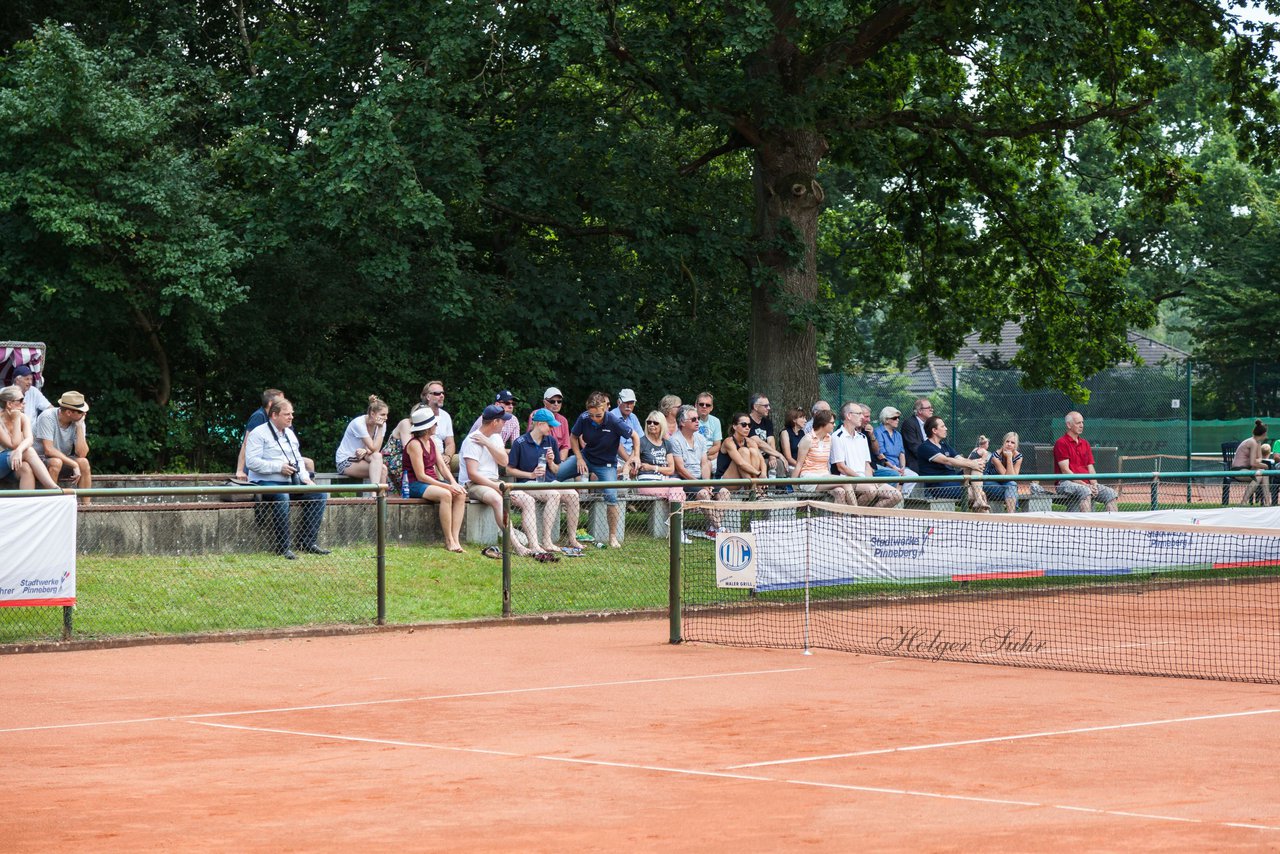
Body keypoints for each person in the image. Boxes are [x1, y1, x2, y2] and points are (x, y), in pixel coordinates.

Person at [244, 397, 330, 559]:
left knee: (319, 494)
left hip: (289, 481)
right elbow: (252, 462)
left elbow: (298, 460)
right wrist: (279, 467)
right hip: (263, 482)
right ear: (274, 415)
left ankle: (308, 542)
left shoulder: (289, 433)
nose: (291, 417)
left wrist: (306, 479)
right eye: (287, 414)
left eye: (292, 414)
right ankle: (283, 547)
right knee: (282, 495)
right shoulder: (258, 433)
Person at [555, 391, 642, 549]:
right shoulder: (583, 418)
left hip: (606, 464)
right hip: (586, 458)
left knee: (612, 497)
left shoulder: (614, 421)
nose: (595, 418)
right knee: (558, 475)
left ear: (605, 410)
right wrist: (579, 458)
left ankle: (613, 537)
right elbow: (573, 437)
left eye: (598, 415)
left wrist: (635, 456)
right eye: (592, 415)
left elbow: (635, 436)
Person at [508, 408, 586, 556]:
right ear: (540, 424)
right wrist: (530, 474)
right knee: (554, 495)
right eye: (550, 426)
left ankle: (572, 538)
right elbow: (509, 470)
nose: (552, 429)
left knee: (573, 495)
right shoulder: (520, 442)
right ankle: (546, 540)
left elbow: (556, 470)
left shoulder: (551, 441)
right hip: (527, 483)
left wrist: (551, 462)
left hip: (549, 481)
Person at [461, 404, 535, 557]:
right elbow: (472, 474)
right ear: (495, 422)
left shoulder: (495, 437)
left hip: (495, 482)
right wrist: (496, 487)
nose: (505, 423)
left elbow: (504, 461)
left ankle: (534, 545)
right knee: (497, 499)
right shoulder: (471, 440)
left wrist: (487, 443)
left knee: (527, 500)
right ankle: (517, 546)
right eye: (503, 421)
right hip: (474, 484)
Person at [402, 408, 467, 553]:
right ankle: (448, 540)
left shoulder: (430, 441)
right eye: (434, 424)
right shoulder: (414, 444)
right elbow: (420, 476)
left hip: (431, 482)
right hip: (414, 484)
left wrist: (453, 483)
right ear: (427, 428)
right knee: (446, 494)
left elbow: (442, 467)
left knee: (461, 493)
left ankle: (456, 539)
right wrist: (448, 488)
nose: (436, 425)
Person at [670, 404, 728, 537]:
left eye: (697, 419)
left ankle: (712, 528)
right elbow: (681, 469)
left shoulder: (700, 439)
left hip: (700, 480)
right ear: (682, 422)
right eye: (694, 419)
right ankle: (719, 528)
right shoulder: (675, 440)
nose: (698, 422)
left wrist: (706, 483)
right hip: (684, 481)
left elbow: (704, 463)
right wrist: (702, 485)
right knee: (703, 493)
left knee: (724, 492)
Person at [829, 403, 900, 507]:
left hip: (865, 480)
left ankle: (868, 517)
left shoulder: (862, 437)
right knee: (871, 491)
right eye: (859, 414)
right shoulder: (837, 437)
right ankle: (854, 516)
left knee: (896, 495)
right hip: (848, 480)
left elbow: (867, 465)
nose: (862, 417)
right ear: (849, 416)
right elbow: (841, 467)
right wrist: (863, 480)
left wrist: (869, 480)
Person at [916, 415, 990, 511]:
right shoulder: (925, 447)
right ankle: (979, 501)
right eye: (942, 426)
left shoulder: (944, 445)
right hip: (939, 487)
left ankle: (979, 503)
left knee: (975, 467)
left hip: (954, 480)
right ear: (934, 430)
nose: (946, 429)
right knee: (980, 493)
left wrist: (975, 462)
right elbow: (947, 461)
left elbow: (960, 459)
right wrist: (972, 463)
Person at [1053, 411, 1118, 513]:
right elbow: (1065, 471)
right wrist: (1085, 485)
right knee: (1085, 491)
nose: (1082, 425)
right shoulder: (1061, 443)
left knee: (1111, 494)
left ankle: (1113, 528)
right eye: (1078, 423)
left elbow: (1090, 468)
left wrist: (1095, 484)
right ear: (1069, 425)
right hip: (1065, 483)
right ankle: (1087, 527)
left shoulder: (1085, 443)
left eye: (1082, 422)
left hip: (1086, 484)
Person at [33, 391, 93, 498]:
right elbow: (49, 450)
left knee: (83, 462)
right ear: (69, 412)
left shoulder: (78, 421)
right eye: (80, 412)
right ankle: (50, 505)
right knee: (56, 462)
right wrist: (74, 464)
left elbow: (82, 454)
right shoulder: (47, 417)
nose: (84, 414)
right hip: (38, 460)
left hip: (62, 460)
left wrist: (79, 427)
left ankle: (87, 507)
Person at [0, 386, 59, 489]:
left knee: (26, 468)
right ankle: (53, 488)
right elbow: (14, 444)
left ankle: (28, 503)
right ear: (9, 404)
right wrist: (16, 420)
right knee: (29, 451)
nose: (24, 403)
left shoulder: (24, 417)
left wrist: (19, 451)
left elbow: (29, 439)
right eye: (21, 400)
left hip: (12, 463)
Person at [791, 410, 848, 502]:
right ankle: (858, 514)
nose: (834, 425)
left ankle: (840, 516)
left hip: (824, 476)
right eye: (832, 423)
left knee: (840, 491)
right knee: (845, 481)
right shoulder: (807, 439)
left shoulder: (829, 438)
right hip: (809, 478)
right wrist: (793, 485)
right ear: (823, 423)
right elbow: (799, 465)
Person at [334, 395, 388, 489]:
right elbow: (373, 447)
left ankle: (380, 499)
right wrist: (380, 429)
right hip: (346, 461)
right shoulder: (359, 423)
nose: (386, 418)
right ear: (372, 413)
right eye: (383, 414)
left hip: (362, 458)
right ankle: (375, 496)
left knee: (380, 461)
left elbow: (376, 450)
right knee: (382, 469)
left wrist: (366, 451)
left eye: (387, 414)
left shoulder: (382, 425)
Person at [635, 410, 688, 504]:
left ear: (662, 425)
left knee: (677, 483)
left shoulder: (667, 444)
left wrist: (652, 467)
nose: (651, 425)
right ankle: (675, 517)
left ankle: (672, 516)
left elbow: (671, 469)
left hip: (663, 481)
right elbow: (633, 460)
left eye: (655, 423)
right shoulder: (641, 442)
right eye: (649, 422)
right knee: (678, 493)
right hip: (646, 482)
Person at [235, 388, 283, 480]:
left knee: (308, 463)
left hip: (271, 460)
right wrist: (240, 470)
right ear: (270, 403)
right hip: (256, 465)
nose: (284, 403)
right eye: (281, 401)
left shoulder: (275, 418)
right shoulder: (259, 416)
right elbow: (246, 443)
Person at [873, 405, 917, 496]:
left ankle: (903, 498)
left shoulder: (898, 435)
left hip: (897, 467)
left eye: (898, 418)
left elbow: (901, 453)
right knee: (896, 475)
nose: (898, 420)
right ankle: (893, 497)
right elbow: (880, 454)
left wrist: (902, 468)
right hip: (884, 466)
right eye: (894, 418)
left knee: (913, 476)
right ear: (886, 420)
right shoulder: (878, 432)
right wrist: (894, 468)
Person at [716, 412, 768, 482]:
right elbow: (741, 463)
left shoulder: (751, 442)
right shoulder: (728, 442)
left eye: (749, 425)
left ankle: (753, 487)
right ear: (734, 426)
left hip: (745, 479)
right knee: (743, 451)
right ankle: (753, 488)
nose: (747, 428)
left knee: (753, 451)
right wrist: (758, 474)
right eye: (744, 425)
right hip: (724, 480)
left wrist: (763, 474)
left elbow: (762, 461)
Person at [1230, 419, 1270, 506]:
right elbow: (1253, 463)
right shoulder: (1252, 442)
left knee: (1265, 474)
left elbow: (1259, 458)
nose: (1266, 436)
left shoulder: (1257, 442)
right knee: (1259, 475)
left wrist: (1259, 463)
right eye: (1266, 434)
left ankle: (1267, 503)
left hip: (1247, 469)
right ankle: (1243, 503)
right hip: (1238, 471)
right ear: (1263, 434)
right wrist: (1265, 466)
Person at [746, 393, 787, 477]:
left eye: (768, 405)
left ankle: (779, 489)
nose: (769, 408)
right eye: (765, 406)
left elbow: (771, 441)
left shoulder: (767, 422)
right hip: (753, 457)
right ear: (755, 407)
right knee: (775, 462)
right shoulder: (746, 422)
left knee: (778, 463)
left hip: (766, 456)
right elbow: (759, 443)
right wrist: (779, 454)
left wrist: (773, 456)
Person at [984, 432, 1023, 513]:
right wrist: (1009, 458)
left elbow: (1013, 478)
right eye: (1007, 441)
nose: (1009, 444)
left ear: (1016, 446)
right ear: (1003, 442)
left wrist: (1009, 458)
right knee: (1011, 488)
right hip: (989, 482)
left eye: (1012, 442)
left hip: (1005, 484)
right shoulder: (996, 456)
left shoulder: (1018, 457)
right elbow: (1007, 477)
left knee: (1012, 485)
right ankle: (1011, 499)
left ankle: (1011, 517)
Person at [528, 386, 572, 458]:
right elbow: (531, 441)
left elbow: (565, 446)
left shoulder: (563, 420)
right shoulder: (536, 415)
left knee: (574, 460)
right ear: (545, 402)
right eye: (552, 401)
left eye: (559, 401)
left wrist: (560, 462)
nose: (556, 404)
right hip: (539, 456)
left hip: (556, 458)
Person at [420, 380, 456, 464]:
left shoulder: (445, 416)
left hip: (443, 456)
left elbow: (450, 443)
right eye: (437, 393)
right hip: (425, 457)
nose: (442, 396)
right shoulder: (421, 414)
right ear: (428, 397)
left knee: (464, 460)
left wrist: (448, 456)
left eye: (442, 393)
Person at [612, 388, 644, 465]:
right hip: (615, 457)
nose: (628, 405)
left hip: (633, 456)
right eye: (626, 402)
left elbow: (641, 440)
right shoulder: (612, 416)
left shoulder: (633, 417)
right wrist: (630, 462)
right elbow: (616, 444)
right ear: (618, 402)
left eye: (631, 402)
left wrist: (635, 457)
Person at [901, 398, 933, 472]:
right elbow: (914, 447)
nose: (931, 410)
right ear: (920, 411)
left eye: (931, 407)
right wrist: (932, 457)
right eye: (928, 408)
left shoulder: (929, 424)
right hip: (916, 462)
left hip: (929, 457)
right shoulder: (909, 423)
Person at [694, 392, 723, 457]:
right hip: (693, 455)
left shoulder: (716, 421)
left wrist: (705, 454)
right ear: (696, 405)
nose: (704, 406)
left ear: (711, 408)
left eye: (708, 405)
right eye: (701, 404)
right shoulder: (689, 419)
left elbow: (717, 445)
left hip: (709, 454)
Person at [779, 407, 807, 473]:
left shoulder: (802, 433)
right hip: (790, 466)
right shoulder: (785, 433)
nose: (805, 421)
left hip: (802, 465)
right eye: (802, 418)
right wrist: (801, 466)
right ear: (794, 419)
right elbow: (788, 458)